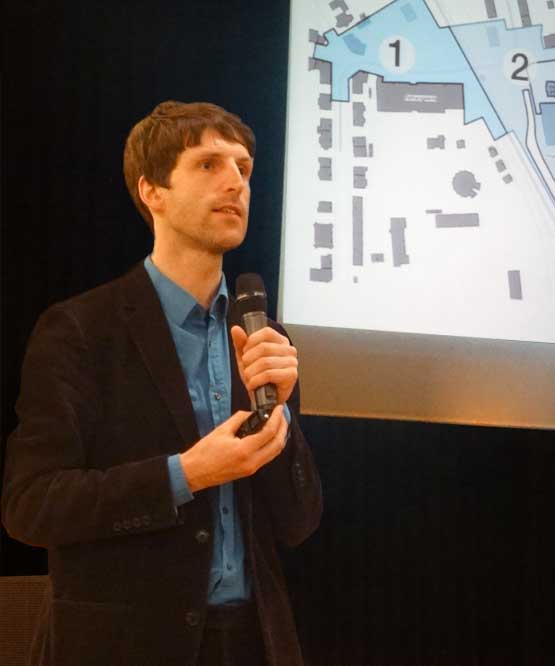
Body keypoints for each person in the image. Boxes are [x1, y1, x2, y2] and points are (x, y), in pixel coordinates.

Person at [1, 101, 323, 666]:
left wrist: (285, 426)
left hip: (254, 641)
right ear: (153, 192)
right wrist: (189, 473)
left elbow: (297, 522)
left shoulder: (263, 335)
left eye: (244, 168)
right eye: (209, 165)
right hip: (124, 646)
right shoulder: (79, 330)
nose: (235, 183)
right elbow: (32, 506)